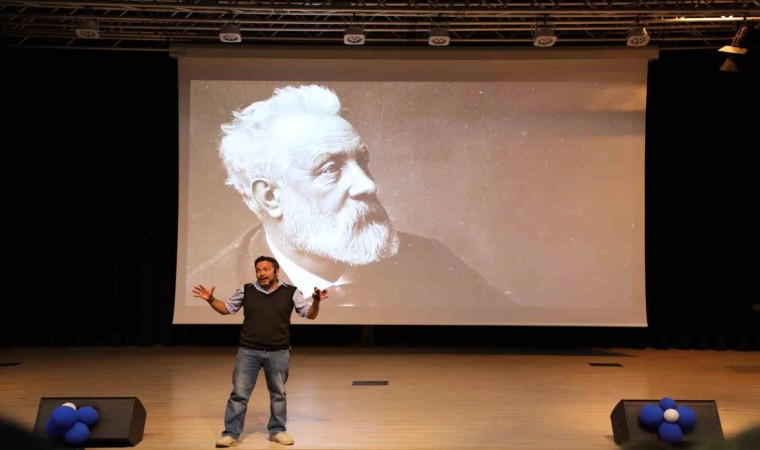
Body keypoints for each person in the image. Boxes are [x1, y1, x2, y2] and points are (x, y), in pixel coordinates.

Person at [187, 84, 515, 322]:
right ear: (270, 197)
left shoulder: (432, 261)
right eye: (330, 169)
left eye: (363, 161)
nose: (368, 184)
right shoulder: (217, 283)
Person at [192, 255, 328, 447]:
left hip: (278, 352)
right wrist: (211, 299)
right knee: (239, 394)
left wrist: (316, 302)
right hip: (248, 351)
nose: (261, 273)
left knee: (278, 394)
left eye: (266, 269)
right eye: (258, 270)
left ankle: (277, 431)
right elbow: (226, 309)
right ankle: (231, 433)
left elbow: (309, 314)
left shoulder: (291, 292)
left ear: (276, 271)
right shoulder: (246, 290)